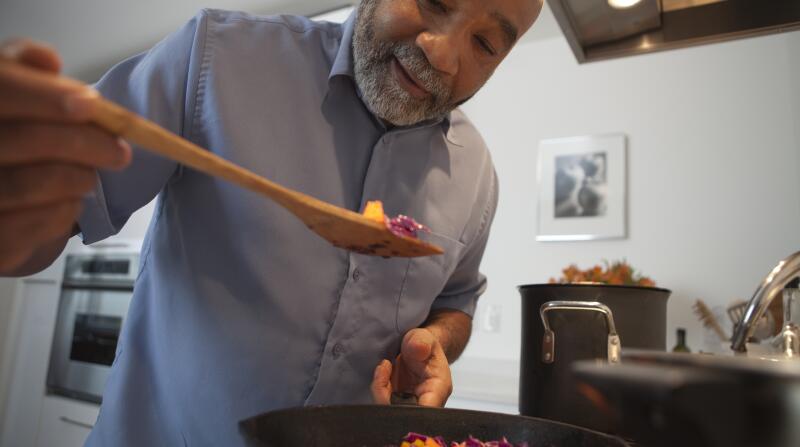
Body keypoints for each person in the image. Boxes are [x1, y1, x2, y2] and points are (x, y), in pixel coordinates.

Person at [0, 0, 543, 444]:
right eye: (433, 1)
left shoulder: (476, 174)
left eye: (485, 44)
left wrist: (433, 344)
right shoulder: (218, 56)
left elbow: (456, 303)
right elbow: (49, 218)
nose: (443, 54)